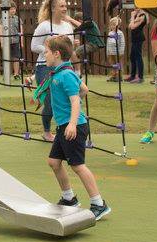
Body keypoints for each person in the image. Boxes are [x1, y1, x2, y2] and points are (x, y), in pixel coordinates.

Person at [41, 35, 110, 220]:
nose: (44, 55)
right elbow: (84, 89)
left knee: (78, 166)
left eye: (46, 52)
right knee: (54, 162)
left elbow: (75, 101)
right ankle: (69, 198)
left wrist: (72, 123)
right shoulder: (62, 72)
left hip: (74, 127)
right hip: (64, 126)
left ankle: (99, 204)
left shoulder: (65, 74)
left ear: (56, 54)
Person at [31, 0, 78, 141]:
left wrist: (72, 46)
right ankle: (47, 132)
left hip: (65, 68)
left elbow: (68, 50)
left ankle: (67, 128)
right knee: (50, 102)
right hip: (45, 67)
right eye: (61, 6)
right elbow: (33, 46)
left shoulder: (67, 26)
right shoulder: (44, 26)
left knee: (67, 99)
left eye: (65, 6)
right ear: (52, 8)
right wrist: (50, 49)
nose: (65, 9)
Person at [2, 1, 23, 80]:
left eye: (14, 9)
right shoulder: (3, 18)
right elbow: (1, 30)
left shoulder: (18, 19)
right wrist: (1, 41)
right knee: (6, 58)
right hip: (6, 42)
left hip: (16, 41)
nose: (13, 11)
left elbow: (21, 30)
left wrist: (21, 41)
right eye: (11, 9)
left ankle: (16, 74)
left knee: (16, 58)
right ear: (7, 10)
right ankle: (6, 74)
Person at [126, 8, 146, 83]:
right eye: (135, 7)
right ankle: (132, 75)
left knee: (138, 57)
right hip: (134, 39)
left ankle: (140, 77)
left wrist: (132, 17)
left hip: (139, 38)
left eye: (137, 7)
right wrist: (134, 19)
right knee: (132, 57)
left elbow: (133, 26)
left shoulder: (142, 15)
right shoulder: (137, 16)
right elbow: (129, 26)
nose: (135, 9)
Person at [105, 16, 125, 81]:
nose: (112, 26)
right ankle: (113, 75)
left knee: (118, 63)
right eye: (111, 25)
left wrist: (121, 51)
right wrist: (108, 51)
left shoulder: (120, 33)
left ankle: (119, 76)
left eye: (114, 25)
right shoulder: (110, 33)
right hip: (111, 52)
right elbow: (108, 43)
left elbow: (122, 43)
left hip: (118, 52)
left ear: (118, 26)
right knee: (112, 64)